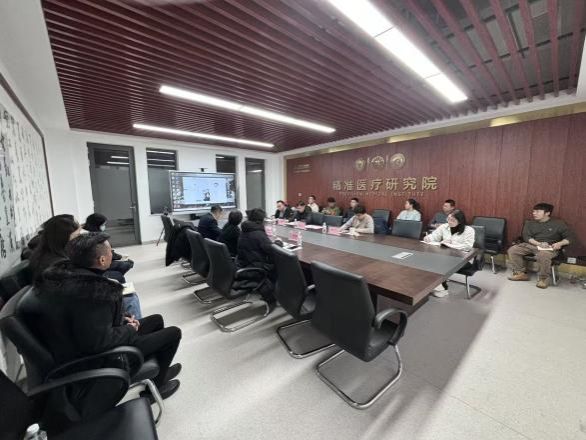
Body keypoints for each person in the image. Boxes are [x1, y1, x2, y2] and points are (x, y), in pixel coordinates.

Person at [35, 233, 182, 400]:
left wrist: (122, 318)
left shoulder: (71, 277)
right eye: (110, 251)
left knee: (156, 320)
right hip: (104, 358)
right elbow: (99, 342)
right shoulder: (93, 293)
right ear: (102, 260)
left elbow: (92, 321)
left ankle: (158, 372)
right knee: (173, 334)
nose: (112, 253)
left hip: (85, 343)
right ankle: (154, 390)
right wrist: (129, 329)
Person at [507, 203, 573, 289]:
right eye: (533, 211)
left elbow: (569, 238)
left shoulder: (558, 223)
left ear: (547, 213)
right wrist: (539, 244)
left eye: (537, 211)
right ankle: (520, 273)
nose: (534, 213)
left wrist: (559, 244)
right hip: (533, 245)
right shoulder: (530, 223)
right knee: (513, 250)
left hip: (550, 247)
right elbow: (527, 237)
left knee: (543, 255)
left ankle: (543, 279)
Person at [424, 210, 475, 297]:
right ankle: (434, 285)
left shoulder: (469, 230)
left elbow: (468, 246)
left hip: (463, 259)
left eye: (452, 220)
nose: (449, 222)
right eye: (448, 219)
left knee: (440, 263)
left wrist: (451, 244)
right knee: (429, 259)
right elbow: (434, 236)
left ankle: (443, 289)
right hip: (445, 255)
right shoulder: (444, 226)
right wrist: (428, 238)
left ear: (460, 221)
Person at [237, 208, 276, 304]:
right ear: (261, 220)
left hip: (244, 263)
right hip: (255, 267)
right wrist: (278, 243)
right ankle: (273, 294)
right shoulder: (258, 233)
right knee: (279, 263)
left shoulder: (245, 229)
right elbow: (271, 250)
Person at [29, 215, 82, 284]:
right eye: (76, 235)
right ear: (63, 238)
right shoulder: (58, 265)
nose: (80, 238)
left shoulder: (45, 251)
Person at [83, 213, 134, 278]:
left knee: (124, 264)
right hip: (96, 264)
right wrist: (120, 257)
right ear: (97, 224)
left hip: (94, 262)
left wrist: (119, 256)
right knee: (128, 263)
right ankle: (109, 277)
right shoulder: (95, 237)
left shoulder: (87, 233)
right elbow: (106, 251)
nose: (104, 226)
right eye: (103, 225)